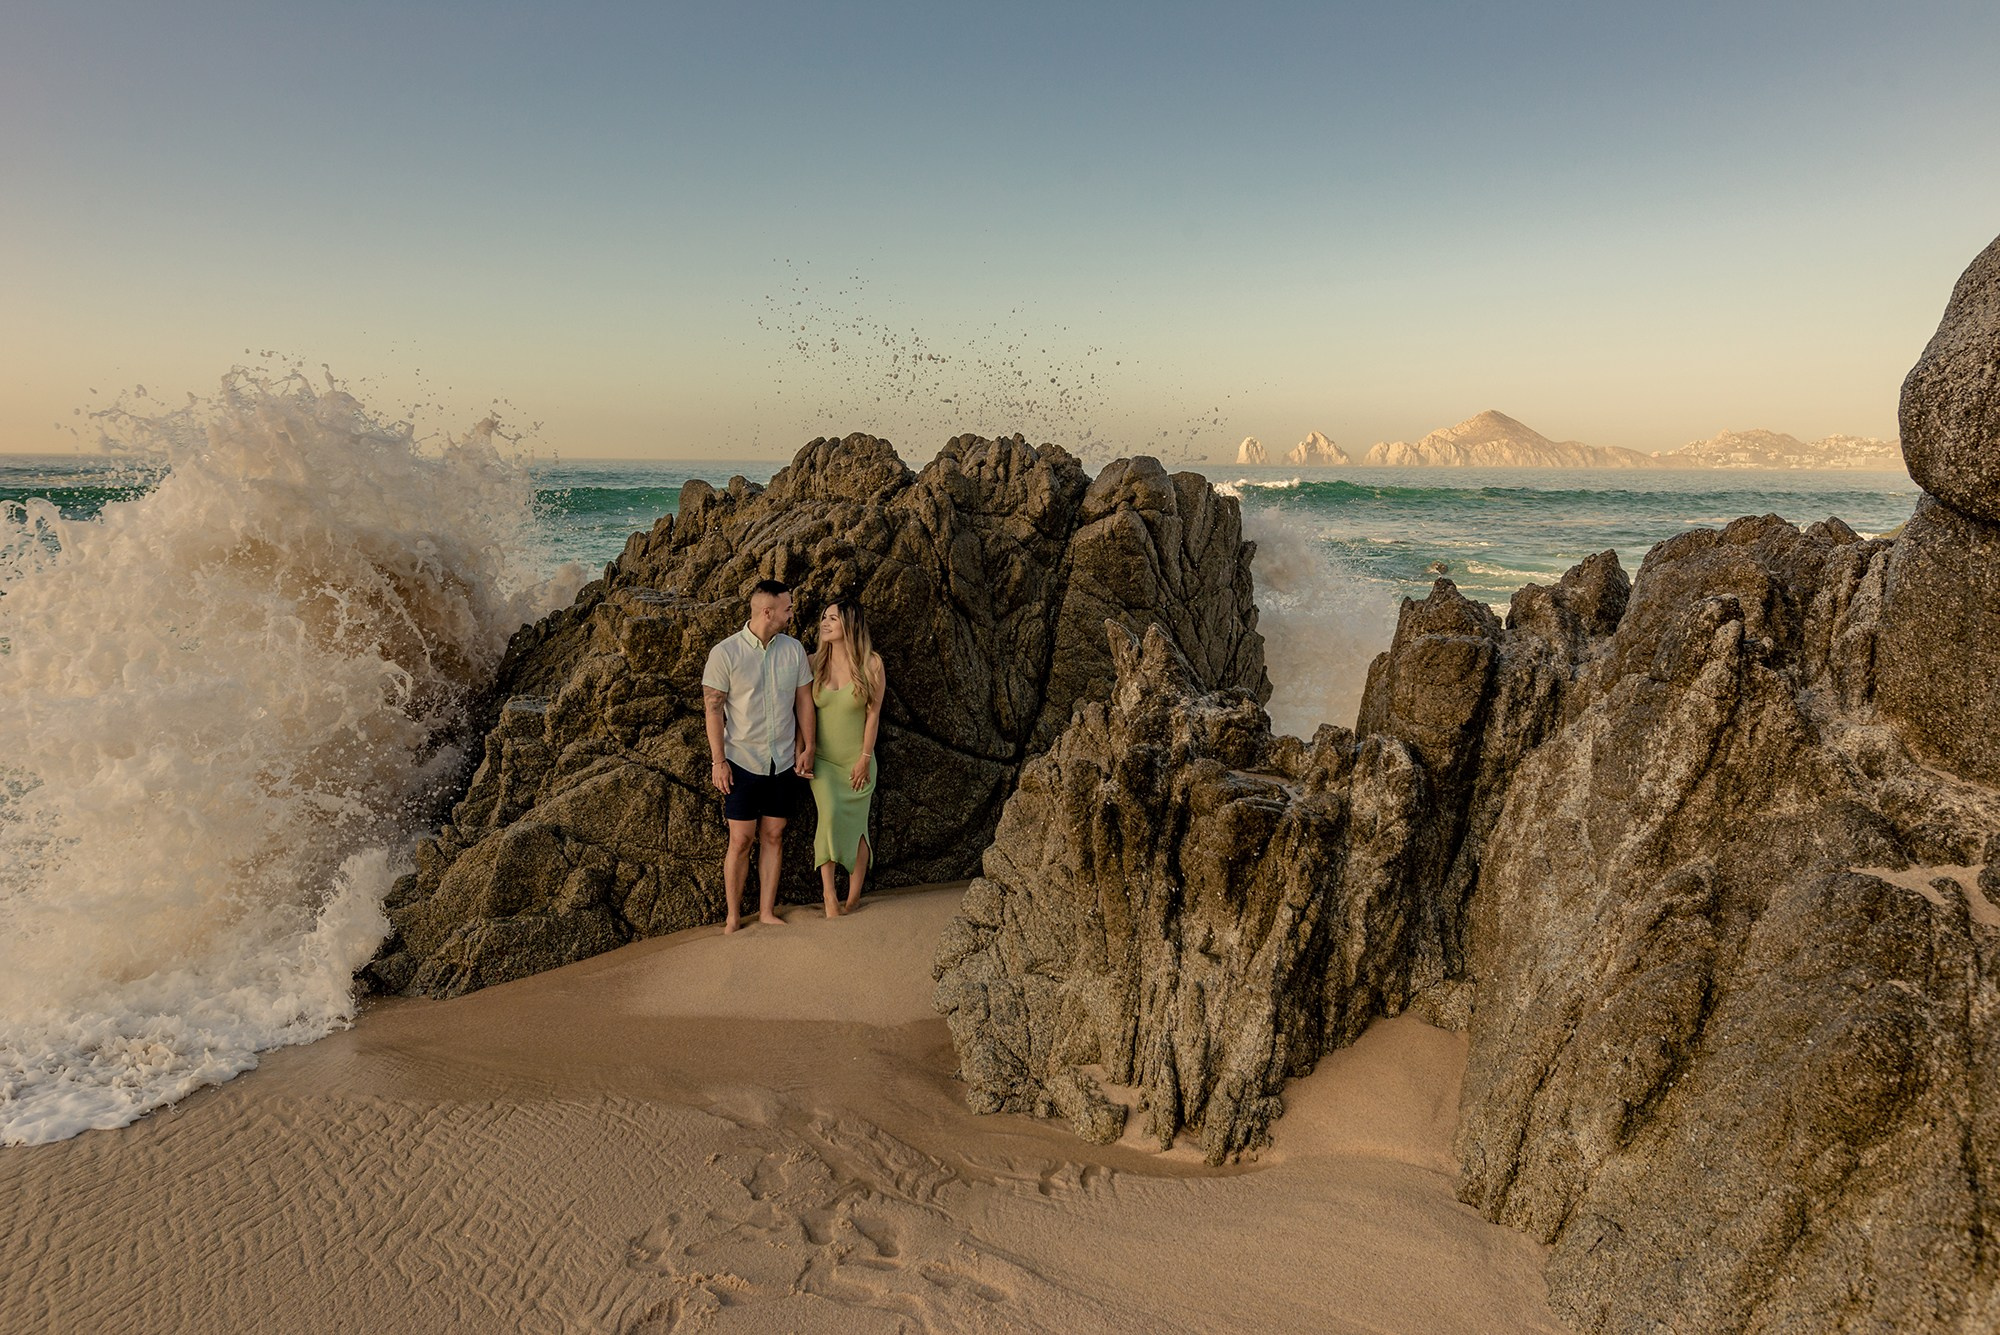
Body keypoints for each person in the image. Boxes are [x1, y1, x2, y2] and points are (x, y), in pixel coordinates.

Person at [701, 579, 815, 934]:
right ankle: (733, 916)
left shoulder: (793, 650)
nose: (792, 612)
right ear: (768, 612)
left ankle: (766, 911)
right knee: (740, 839)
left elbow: (804, 703)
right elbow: (713, 710)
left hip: (781, 760)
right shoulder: (725, 653)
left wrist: (807, 746)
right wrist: (718, 761)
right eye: (788, 607)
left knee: (775, 834)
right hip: (741, 761)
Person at [808, 595, 884, 917]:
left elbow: (873, 714)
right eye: (824, 618)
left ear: (849, 624)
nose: (824, 623)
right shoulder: (813, 662)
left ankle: (853, 898)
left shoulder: (872, 664)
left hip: (858, 760)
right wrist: (803, 749)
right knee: (830, 814)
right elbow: (801, 710)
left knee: (857, 827)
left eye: (832, 619)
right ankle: (829, 896)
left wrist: (865, 758)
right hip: (822, 762)